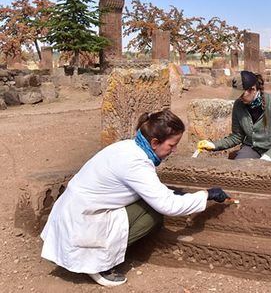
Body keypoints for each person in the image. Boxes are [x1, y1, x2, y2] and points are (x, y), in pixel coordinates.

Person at [40, 109, 231, 287]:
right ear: (155, 142)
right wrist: (206, 195)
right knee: (152, 214)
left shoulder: (128, 146)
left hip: (74, 214)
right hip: (82, 221)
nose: (174, 150)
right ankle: (99, 262)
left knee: (149, 202)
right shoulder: (136, 163)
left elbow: (142, 188)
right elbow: (168, 205)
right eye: (172, 145)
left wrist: (172, 191)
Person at [200, 70, 271, 161]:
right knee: (240, 169)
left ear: (253, 89)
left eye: (241, 94)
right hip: (252, 148)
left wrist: (268, 156)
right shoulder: (238, 105)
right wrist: (214, 145)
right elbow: (237, 136)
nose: (239, 98)